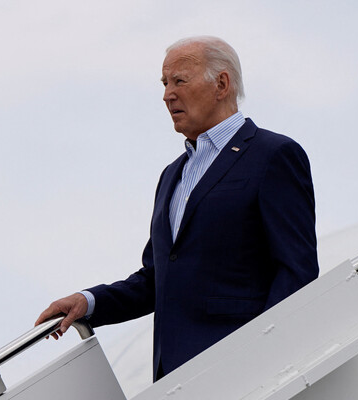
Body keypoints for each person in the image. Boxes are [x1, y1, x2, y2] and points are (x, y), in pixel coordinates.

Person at [35, 36, 319, 381]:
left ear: (222, 84)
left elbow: (296, 271)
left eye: (179, 81)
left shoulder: (273, 155)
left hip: (242, 372)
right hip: (174, 379)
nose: (168, 94)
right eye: (165, 83)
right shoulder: (172, 176)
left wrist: (261, 355)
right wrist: (89, 301)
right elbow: (157, 280)